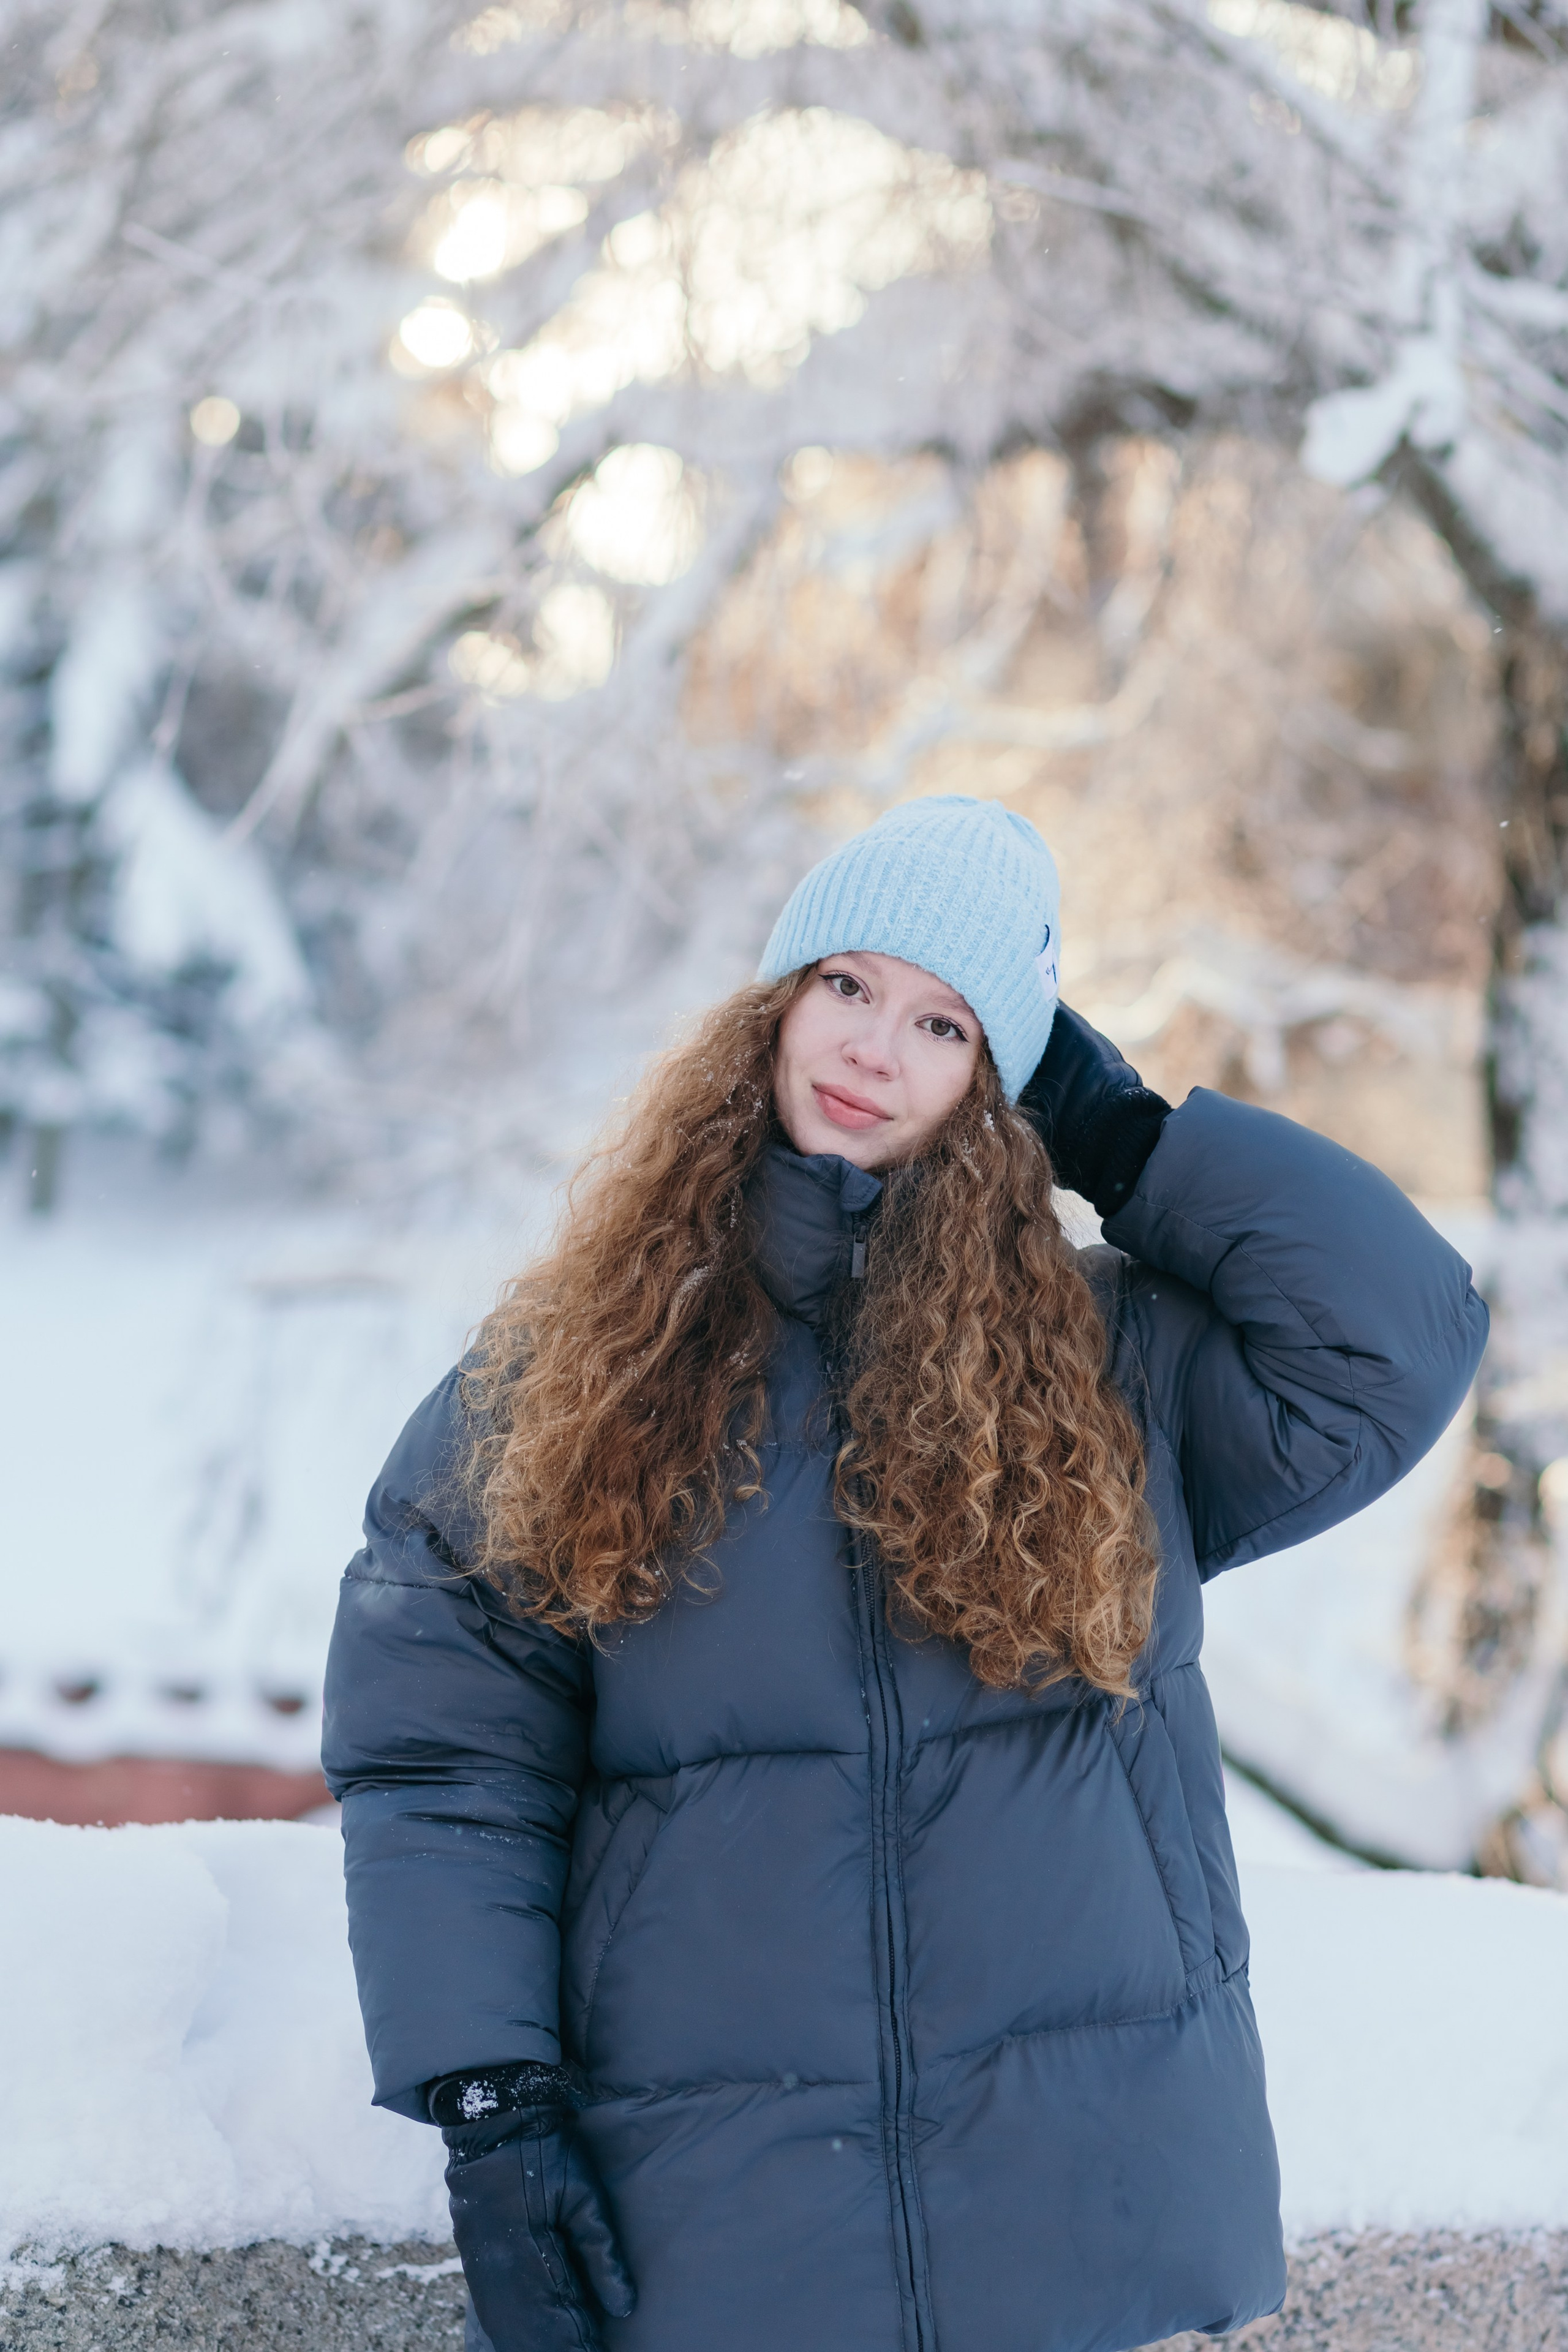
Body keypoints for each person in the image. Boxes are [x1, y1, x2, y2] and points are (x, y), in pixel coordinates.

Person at [323, 796, 1487, 2352]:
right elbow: (441, 1755)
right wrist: (490, 2104)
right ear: (773, 1006)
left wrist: (1126, 1132)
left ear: (1003, 1081)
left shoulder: (1113, 1363)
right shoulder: (567, 1378)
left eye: (944, 1023)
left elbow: (1393, 1340)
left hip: (1089, 2218)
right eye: (846, 987)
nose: (874, 1048)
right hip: (718, 2221)